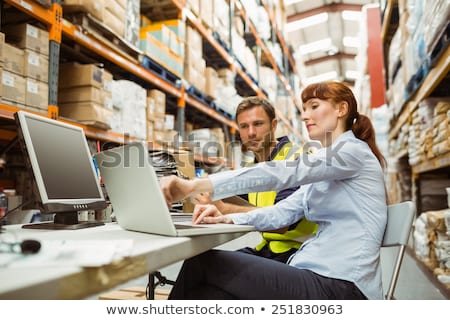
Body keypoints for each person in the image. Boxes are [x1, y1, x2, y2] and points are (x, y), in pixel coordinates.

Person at [160, 81, 387, 299]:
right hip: (312, 272)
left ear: (341, 109)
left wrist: (192, 186)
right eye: (304, 109)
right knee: (209, 295)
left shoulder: (352, 152)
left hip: (342, 286)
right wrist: (227, 218)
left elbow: (278, 172)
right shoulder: (326, 168)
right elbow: (282, 212)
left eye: (314, 106)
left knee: (201, 263)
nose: (305, 115)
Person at [193, 96, 317, 263]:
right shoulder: (253, 166)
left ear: (273, 125)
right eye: (244, 126)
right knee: (199, 262)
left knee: (205, 266)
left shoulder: (297, 158)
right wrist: (206, 192)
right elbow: (239, 200)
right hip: (269, 248)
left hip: (298, 253)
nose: (251, 133)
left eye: (258, 124)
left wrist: (223, 208)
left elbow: (281, 224)